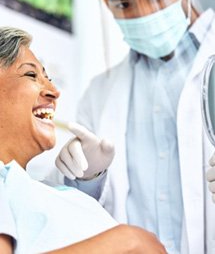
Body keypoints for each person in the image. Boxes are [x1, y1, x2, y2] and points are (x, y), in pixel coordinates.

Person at [48, 0, 215, 253]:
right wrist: (86, 180)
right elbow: (73, 220)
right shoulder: (98, 95)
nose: (142, 11)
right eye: (122, 1)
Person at [0, 26, 167, 254]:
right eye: (31, 75)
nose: (54, 91)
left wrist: (87, 180)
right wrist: (126, 242)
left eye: (48, 78)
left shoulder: (35, 189)